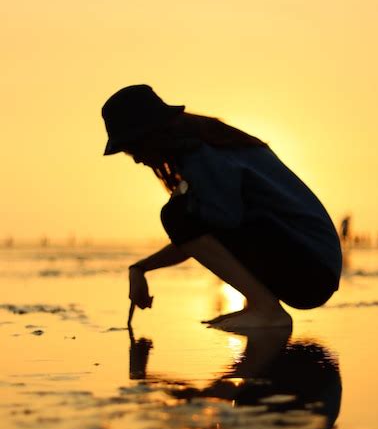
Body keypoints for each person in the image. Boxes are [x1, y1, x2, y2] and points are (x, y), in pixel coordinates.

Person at [101, 85, 342, 330]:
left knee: (175, 215)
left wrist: (183, 201)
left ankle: (266, 310)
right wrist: (141, 268)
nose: (138, 159)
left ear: (152, 134)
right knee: (181, 214)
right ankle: (258, 305)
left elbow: (217, 222)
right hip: (312, 267)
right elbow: (204, 237)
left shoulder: (201, 153)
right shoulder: (212, 143)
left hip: (311, 272)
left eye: (134, 148)